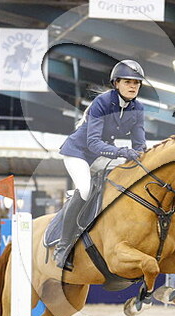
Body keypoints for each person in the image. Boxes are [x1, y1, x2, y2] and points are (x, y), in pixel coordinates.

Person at [54, 59, 147, 269]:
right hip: (78, 152)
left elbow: (140, 144)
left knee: (119, 184)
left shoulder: (138, 108)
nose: (133, 86)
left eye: (137, 83)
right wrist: (121, 152)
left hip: (102, 155)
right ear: (116, 83)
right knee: (85, 189)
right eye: (128, 82)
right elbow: (93, 143)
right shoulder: (102, 102)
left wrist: (143, 157)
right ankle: (63, 246)